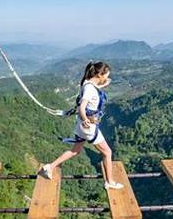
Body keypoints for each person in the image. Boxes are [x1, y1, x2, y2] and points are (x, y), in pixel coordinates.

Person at [39, 61, 124, 190]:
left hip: (81, 125)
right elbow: (82, 106)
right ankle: (110, 182)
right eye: (106, 75)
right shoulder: (90, 88)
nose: (107, 78)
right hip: (88, 126)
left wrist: (104, 84)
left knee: (75, 150)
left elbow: (92, 92)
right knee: (107, 152)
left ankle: (50, 166)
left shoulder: (87, 83)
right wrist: (85, 118)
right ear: (100, 75)